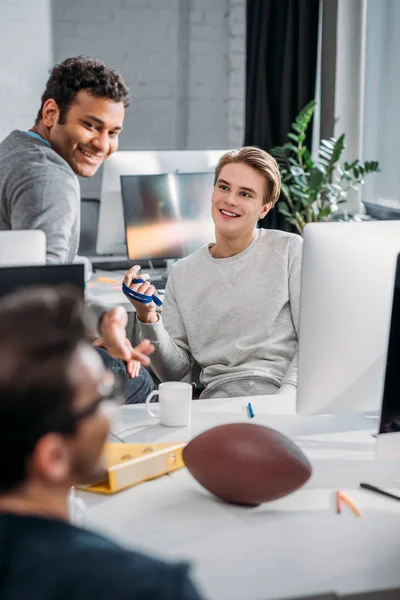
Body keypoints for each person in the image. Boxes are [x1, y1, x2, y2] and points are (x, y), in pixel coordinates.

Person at [0, 286, 203, 600]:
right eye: (105, 395)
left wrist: (107, 323)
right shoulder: (149, 587)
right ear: (54, 458)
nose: (112, 407)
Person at [0, 56, 156, 403]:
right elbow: (45, 292)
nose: (103, 145)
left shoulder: (14, 147)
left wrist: (89, 328)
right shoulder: (50, 177)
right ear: (51, 113)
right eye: (91, 125)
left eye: (113, 132)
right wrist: (92, 330)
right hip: (20, 360)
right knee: (140, 381)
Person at [124, 146, 303, 399]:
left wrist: (286, 398)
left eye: (245, 194)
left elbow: (313, 340)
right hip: (217, 401)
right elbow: (173, 373)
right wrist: (148, 317)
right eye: (224, 187)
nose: (230, 199)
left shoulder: (289, 250)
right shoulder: (183, 273)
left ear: (264, 208)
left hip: (281, 396)